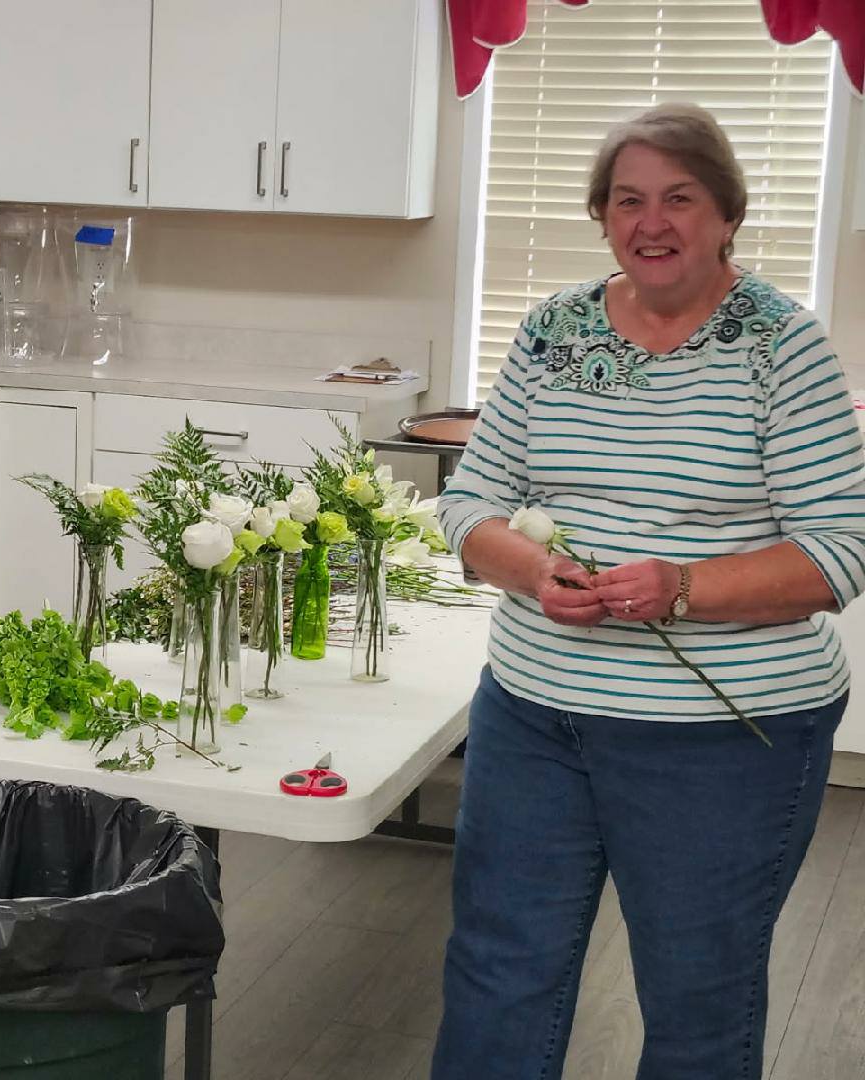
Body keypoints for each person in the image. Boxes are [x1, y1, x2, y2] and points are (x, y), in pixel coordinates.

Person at [432, 103, 865, 1079]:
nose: (652, 221)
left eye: (680, 197)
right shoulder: (553, 331)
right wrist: (534, 569)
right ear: (601, 216)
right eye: (628, 200)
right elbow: (472, 504)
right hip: (535, 714)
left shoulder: (781, 347)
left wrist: (681, 589)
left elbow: (842, 549)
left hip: (723, 736)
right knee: (499, 967)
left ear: (726, 216)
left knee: (696, 993)